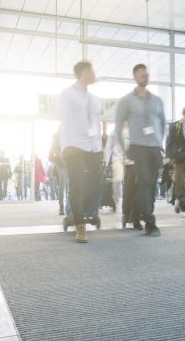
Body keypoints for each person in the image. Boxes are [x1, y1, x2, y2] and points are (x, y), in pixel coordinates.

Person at [114, 64, 166, 236]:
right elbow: (119, 125)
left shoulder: (157, 101)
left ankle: (137, 214)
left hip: (154, 147)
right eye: (142, 75)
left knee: (150, 186)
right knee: (143, 182)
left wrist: (160, 144)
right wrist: (123, 149)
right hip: (137, 147)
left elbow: (162, 124)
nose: (146, 77)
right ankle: (149, 221)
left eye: (147, 75)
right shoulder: (126, 101)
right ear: (135, 77)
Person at [59, 61, 104, 243]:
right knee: (76, 186)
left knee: (96, 183)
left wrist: (98, 147)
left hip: (92, 147)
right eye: (91, 71)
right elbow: (69, 122)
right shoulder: (67, 94)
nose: (94, 74)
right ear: (84, 74)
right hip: (73, 146)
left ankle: (77, 214)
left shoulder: (93, 99)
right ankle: (80, 226)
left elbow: (96, 125)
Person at [48, 129, 67, 215]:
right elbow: (50, 155)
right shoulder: (55, 140)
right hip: (60, 164)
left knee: (70, 185)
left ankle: (70, 205)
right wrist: (59, 156)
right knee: (62, 184)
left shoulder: (68, 136)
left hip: (69, 162)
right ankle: (61, 206)